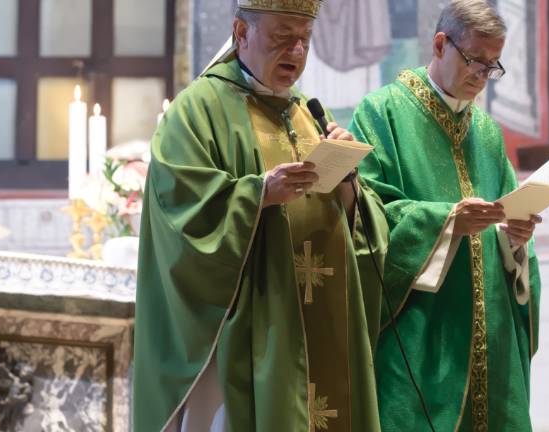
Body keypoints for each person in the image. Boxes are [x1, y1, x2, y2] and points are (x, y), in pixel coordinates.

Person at [132, 1, 389, 431]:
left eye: (304, 40)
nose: (295, 52)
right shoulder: (197, 110)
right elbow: (179, 210)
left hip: (320, 318)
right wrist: (257, 194)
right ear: (241, 32)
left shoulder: (309, 114)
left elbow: (361, 226)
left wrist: (348, 181)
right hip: (252, 329)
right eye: (281, 37)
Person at [348, 1, 542, 430]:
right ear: (440, 44)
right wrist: (447, 221)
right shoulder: (382, 113)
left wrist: (515, 239)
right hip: (421, 335)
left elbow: (507, 212)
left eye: (493, 67)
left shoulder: (488, 133)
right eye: (475, 61)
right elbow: (368, 213)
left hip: (491, 342)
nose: (482, 76)